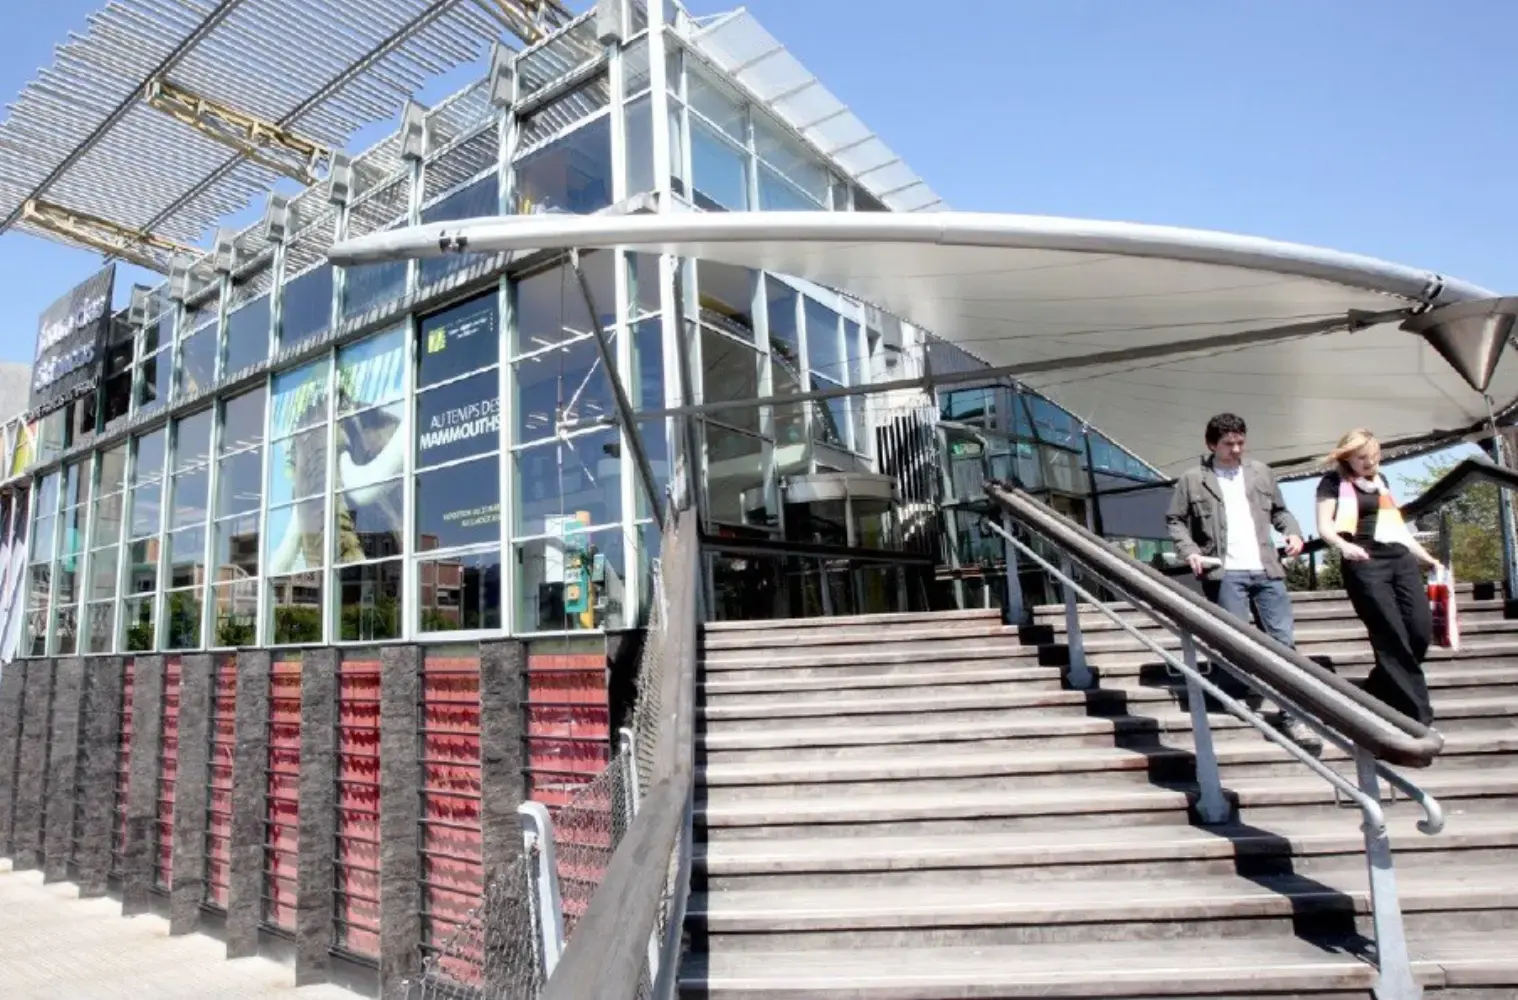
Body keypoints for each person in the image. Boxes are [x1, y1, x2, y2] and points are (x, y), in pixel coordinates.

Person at [1165, 413, 1319, 750]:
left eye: (1240, 442)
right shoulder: (1193, 480)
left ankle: (1293, 716)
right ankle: (1229, 690)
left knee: (1282, 642)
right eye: (1228, 444)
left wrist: (1291, 532)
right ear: (1211, 445)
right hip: (1224, 571)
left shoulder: (1260, 472)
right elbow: (1175, 519)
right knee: (1235, 643)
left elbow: (1280, 511)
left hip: (1266, 569)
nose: (1236, 449)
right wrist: (1189, 550)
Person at [1315, 428, 1441, 726]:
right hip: (1365, 561)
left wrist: (1426, 558)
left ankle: (1377, 689)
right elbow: (1324, 527)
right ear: (1348, 458)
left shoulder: (1381, 482)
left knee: (1419, 632)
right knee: (1391, 635)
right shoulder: (1332, 483)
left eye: (1374, 456)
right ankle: (1418, 719)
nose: (1370, 463)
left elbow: (1398, 528)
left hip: (1399, 558)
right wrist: (1345, 546)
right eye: (1362, 458)